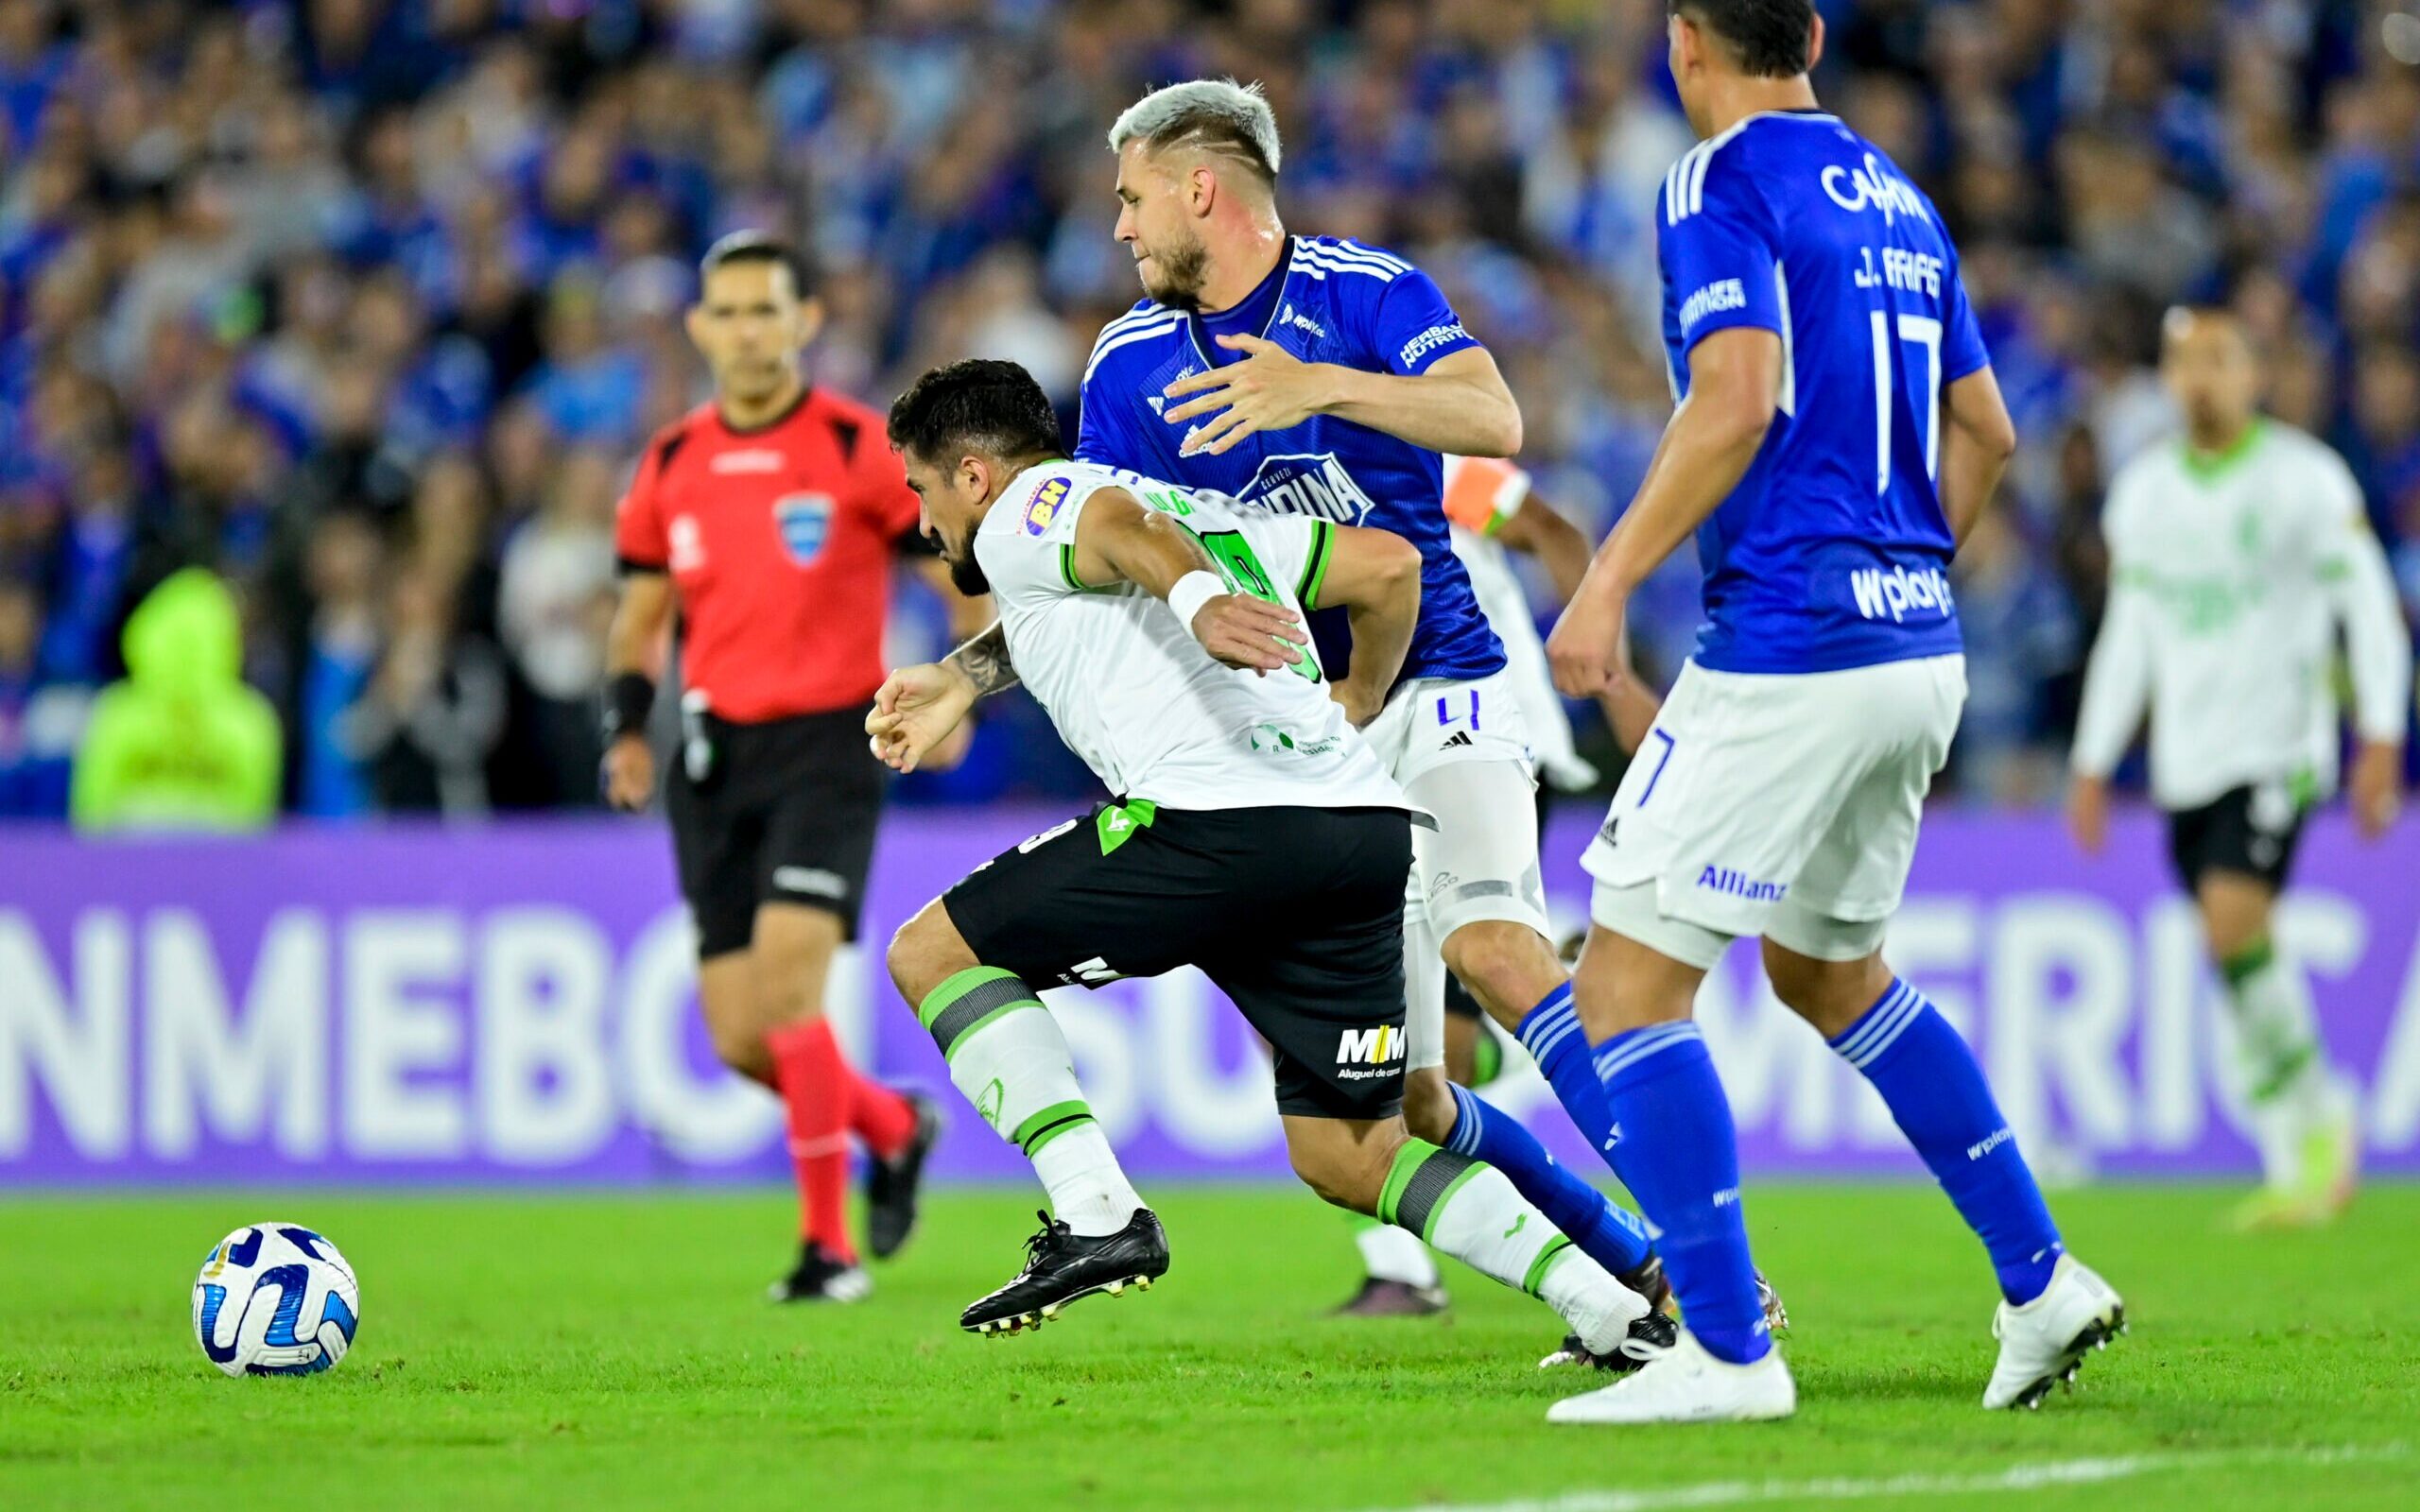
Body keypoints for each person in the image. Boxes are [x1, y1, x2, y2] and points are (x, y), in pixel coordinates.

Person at [1542, 0, 2117, 1422]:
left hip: (1796, 638)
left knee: (1623, 983)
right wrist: (1907, 574)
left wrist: (1605, 581)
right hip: (1918, 643)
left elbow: (1733, 402)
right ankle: (2042, 1283)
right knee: (1825, 973)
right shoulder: (1904, 199)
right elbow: (1984, 431)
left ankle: (1729, 1354)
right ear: (1807, 31)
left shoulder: (1715, 178)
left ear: (1687, 44)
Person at [865, 357, 1656, 1359]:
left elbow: (1118, 531)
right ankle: (1617, 1311)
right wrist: (1359, 698)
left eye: (922, 491)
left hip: (1216, 826)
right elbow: (1387, 568)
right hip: (1359, 830)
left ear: (973, 475)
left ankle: (1097, 1211)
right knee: (1352, 1150)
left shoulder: (1037, 500)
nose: (926, 525)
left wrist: (1196, 601)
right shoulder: (1204, 511)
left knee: (930, 953)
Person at [1074, 76, 1671, 1336]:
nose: (1120, 228)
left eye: (1132, 199)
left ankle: (1709, 1250)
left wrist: (1323, 388)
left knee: (1494, 948)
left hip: (1438, 679)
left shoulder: (1366, 291)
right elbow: (1115, 555)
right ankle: (1640, 1267)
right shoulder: (1126, 365)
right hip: (1305, 739)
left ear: (1203, 189)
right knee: (1406, 1102)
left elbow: (1492, 415)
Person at [602, 232, 941, 1303]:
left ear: (805, 323)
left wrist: (965, 679)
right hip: (713, 757)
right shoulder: (668, 465)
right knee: (743, 1036)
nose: (747, 331)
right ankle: (893, 1123)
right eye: (728, 312)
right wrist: (624, 727)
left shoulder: (855, 447)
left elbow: (957, 558)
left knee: (792, 994)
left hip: (828, 747)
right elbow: (641, 616)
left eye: (767, 311)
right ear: (701, 329)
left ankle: (824, 1250)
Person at [2068, 307, 2411, 1230]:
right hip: (2188, 759)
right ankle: (2297, 1139)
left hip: (2280, 746)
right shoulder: (2141, 494)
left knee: (2231, 918)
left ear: (2252, 374)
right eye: (2182, 364)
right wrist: (2093, 757)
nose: (2199, 381)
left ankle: (2319, 1126)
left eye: (2218, 361)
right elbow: (2130, 633)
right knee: (2235, 950)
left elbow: (2368, 604)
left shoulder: (2303, 480)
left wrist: (2380, 732)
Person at [71, 567, 280, 833]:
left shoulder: (117, 712)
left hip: (212, 864)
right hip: (136, 863)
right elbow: (92, 815)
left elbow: (255, 821)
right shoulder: (250, 720)